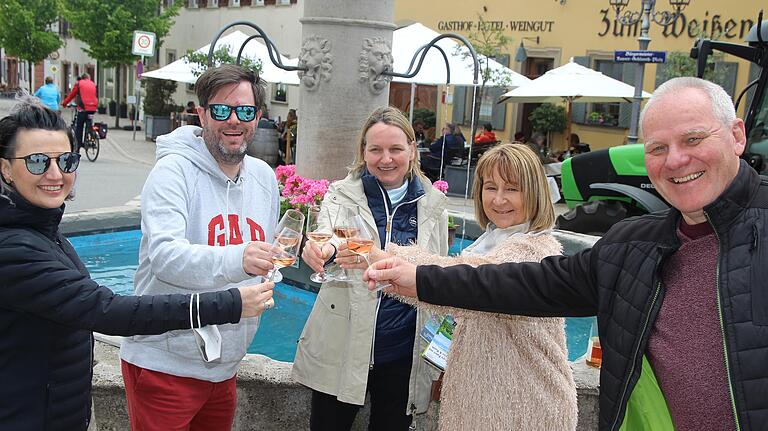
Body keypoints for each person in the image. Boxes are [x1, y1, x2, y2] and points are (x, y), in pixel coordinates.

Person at [366, 77, 768, 430]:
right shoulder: (634, 245)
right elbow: (521, 282)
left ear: (737, 135)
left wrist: (402, 267)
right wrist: (413, 275)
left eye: (693, 139)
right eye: (658, 147)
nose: (676, 160)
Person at [0, 97, 275, 431]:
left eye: (66, 161)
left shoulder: (41, 230)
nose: (56, 174)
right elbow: (109, 310)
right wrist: (230, 303)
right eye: (38, 161)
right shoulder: (15, 247)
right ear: (5, 168)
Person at [119, 64, 282, 430]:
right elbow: (165, 258)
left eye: (245, 111)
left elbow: (266, 254)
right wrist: (239, 258)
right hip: (164, 361)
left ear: (258, 116)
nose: (234, 121)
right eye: (222, 110)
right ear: (202, 113)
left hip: (225, 367)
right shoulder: (173, 171)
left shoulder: (264, 178)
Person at [375, 143, 577, 430]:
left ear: (534, 192)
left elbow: (463, 280)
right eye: (490, 187)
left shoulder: (532, 250)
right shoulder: (493, 241)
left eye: (512, 189)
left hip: (525, 408)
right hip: (495, 402)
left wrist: (380, 257)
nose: (498, 199)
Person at [293, 106, 448, 430]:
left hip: (403, 353)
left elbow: (440, 272)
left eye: (395, 149)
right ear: (363, 152)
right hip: (343, 344)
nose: (386, 159)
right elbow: (332, 233)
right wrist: (324, 250)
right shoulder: (342, 194)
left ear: (412, 149)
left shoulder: (433, 204)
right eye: (375, 149)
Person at [62, 73, 98, 153]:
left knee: (79, 127)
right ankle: (91, 134)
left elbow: (72, 95)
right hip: (93, 108)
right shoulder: (92, 83)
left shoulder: (79, 84)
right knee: (89, 121)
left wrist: (64, 103)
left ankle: (78, 146)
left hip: (83, 108)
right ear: (88, 78)